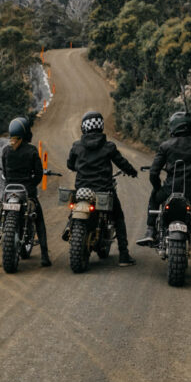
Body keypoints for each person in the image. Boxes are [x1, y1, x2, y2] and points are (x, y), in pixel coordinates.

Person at [136, 111, 191, 284]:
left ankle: (151, 229)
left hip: (170, 191)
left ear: (173, 126)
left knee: (154, 196)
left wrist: (159, 188)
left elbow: (153, 173)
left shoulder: (166, 146)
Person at [65, 110, 138, 266]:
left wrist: (78, 165)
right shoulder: (108, 146)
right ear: (101, 127)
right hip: (104, 189)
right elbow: (122, 163)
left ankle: (68, 226)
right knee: (118, 217)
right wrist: (132, 172)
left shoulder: (77, 146)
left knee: (74, 207)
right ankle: (124, 255)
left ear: (84, 127)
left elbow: (70, 164)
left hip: (82, 190)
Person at [0, 116, 51, 269]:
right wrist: (31, 185)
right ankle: (44, 256)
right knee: (39, 221)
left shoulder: (6, 151)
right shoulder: (31, 150)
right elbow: (38, 174)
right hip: (26, 192)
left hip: (9, 191)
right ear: (25, 133)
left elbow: (4, 172)